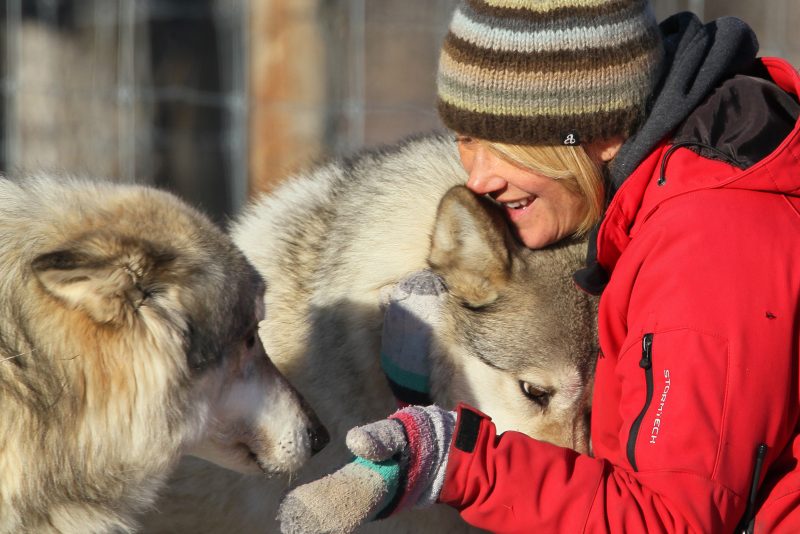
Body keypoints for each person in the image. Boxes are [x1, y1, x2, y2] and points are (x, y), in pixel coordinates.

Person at [279, 1, 800, 532]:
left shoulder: (707, 241)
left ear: (602, 135)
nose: (480, 177)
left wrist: (451, 462)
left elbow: (670, 521)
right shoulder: (647, 200)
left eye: (511, 143)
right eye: (467, 138)